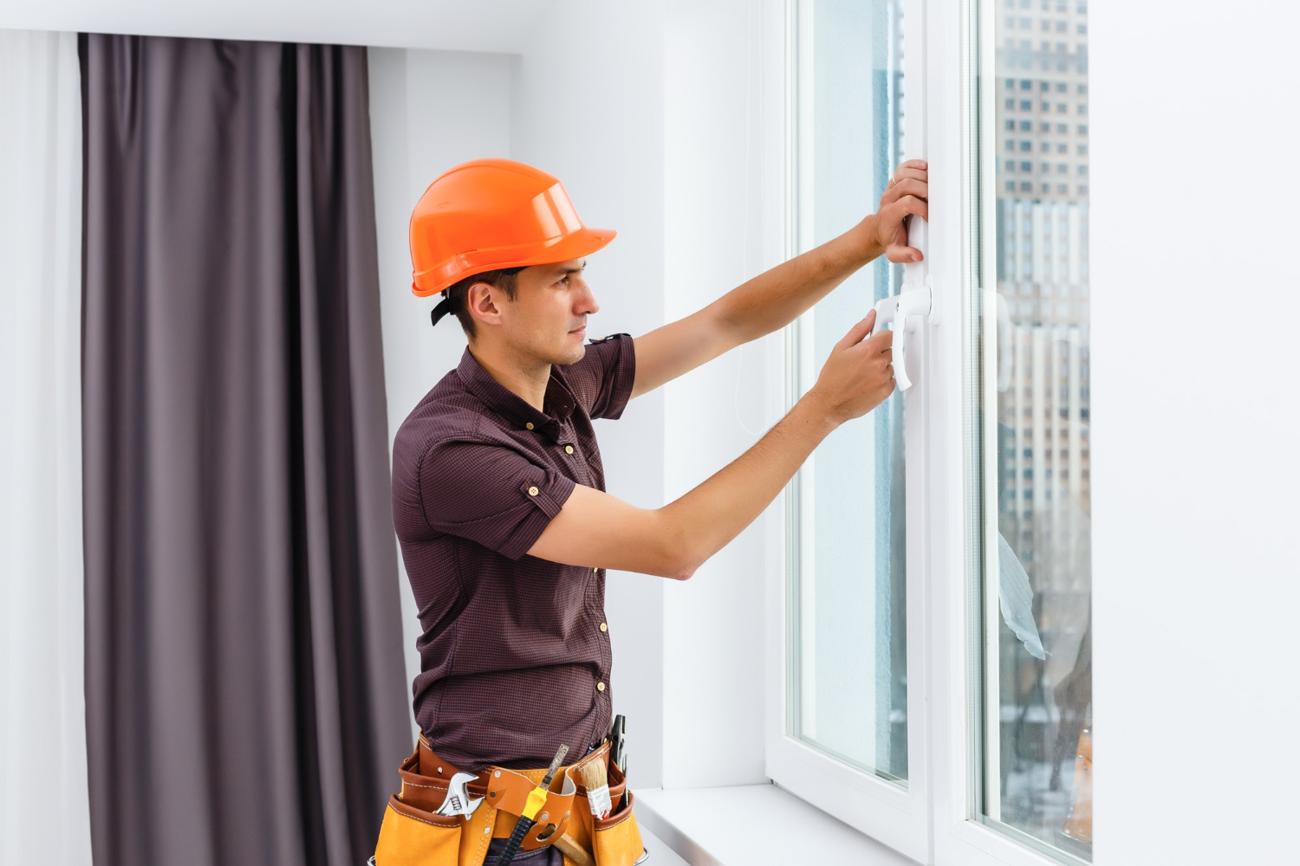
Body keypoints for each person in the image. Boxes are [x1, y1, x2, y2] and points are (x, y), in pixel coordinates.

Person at [379, 156, 928, 865]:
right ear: (487, 303)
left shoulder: (558, 384)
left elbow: (725, 324)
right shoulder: (452, 451)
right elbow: (675, 545)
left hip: (576, 807)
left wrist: (866, 240)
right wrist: (823, 409)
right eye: (562, 279)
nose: (589, 300)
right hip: (498, 838)